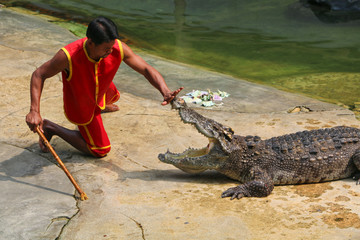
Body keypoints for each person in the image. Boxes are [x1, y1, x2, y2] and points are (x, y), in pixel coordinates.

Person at [25, 16, 183, 158]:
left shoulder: (116, 47)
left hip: (101, 89)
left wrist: (165, 90)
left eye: (112, 46)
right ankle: (51, 127)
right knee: (100, 149)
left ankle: (100, 106)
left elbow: (146, 69)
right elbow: (39, 74)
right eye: (106, 49)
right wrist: (34, 110)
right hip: (81, 103)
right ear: (91, 42)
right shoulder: (68, 56)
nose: (110, 51)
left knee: (114, 94)